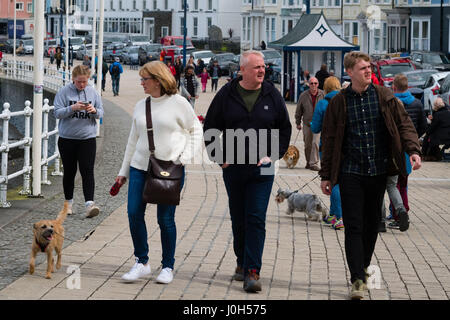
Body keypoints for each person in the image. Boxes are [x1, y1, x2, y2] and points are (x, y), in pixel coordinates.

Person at [319, 51, 421, 300]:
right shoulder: (339, 102)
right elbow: (330, 140)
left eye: (369, 67)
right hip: (351, 172)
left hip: (378, 172)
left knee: (372, 225)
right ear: (350, 72)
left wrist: (414, 151)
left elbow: (404, 124)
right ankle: (357, 280)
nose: (368, 71)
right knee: (353, 226)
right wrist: (326, 175)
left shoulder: (384, 96)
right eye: (363, 68)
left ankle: (363, 268)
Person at [203, 50, 292, 293]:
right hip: (234, 169)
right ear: (242, 70)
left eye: (263, 66)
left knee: (255, 217)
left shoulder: (271, 94)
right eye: (256, 67)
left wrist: (273, 155)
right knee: (239, 217)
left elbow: (285, 128)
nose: (262, 70)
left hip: (262, 170)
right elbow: (210, 126)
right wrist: (219, 157)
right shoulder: (227, 94)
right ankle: (242, 262)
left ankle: (253, 271)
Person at [116, 61, 203, 284]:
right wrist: (122, 172)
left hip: (169, 169)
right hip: (139, 167)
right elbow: (132, 140)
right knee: (134, 213)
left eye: (145, 79)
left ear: (158, 80)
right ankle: (142, 262)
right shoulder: (140, 105)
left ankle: (167, 266)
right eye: (141, 79)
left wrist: (183, 158)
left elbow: (196, 131)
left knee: (165, 219)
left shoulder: (179, 103)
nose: (141, 83)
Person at [53, 65, 104, 218]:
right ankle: (68, 204)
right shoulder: (64, 92)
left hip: (87, 139)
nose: (82, 85)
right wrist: (72, 108)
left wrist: (94, 111)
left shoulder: (93, 92)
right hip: (67, 139)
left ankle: (90, 204)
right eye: (79, 82)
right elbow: (57, 113)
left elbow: (101, 112)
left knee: (87, 170)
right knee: (69, 171)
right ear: (73, 79)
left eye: (85, 82)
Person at [383, 73, 428, 231]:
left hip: (390, 152)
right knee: (400, 185)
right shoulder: (416, 103)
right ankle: (401, 211)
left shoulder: (388, 103)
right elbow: (423, 126)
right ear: (407, 86)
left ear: (394, 86)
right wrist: (414, 141)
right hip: (409, 149)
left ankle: (383, 218)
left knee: (384, 186)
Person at [310, 76, 343, 230]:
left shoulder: (322, 104)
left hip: (328, 147)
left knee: (332, 180)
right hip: (346, 146)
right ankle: (333, 213)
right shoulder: (345, 101)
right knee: (341, 179)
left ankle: (338, 217)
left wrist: (312, 123)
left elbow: (315, 128)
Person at [295, 77, 324, 171]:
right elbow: (298, 110)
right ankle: (308, 162)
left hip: (318, 124)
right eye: (312, 83)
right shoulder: (303, 95)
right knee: (307, 144)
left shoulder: (322, 94)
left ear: (318, 84)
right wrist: (298, 122)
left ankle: (314, 163)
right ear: (308, 84)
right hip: (307, 124)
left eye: (315, 83)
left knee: (315, 143)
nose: (314, 85)